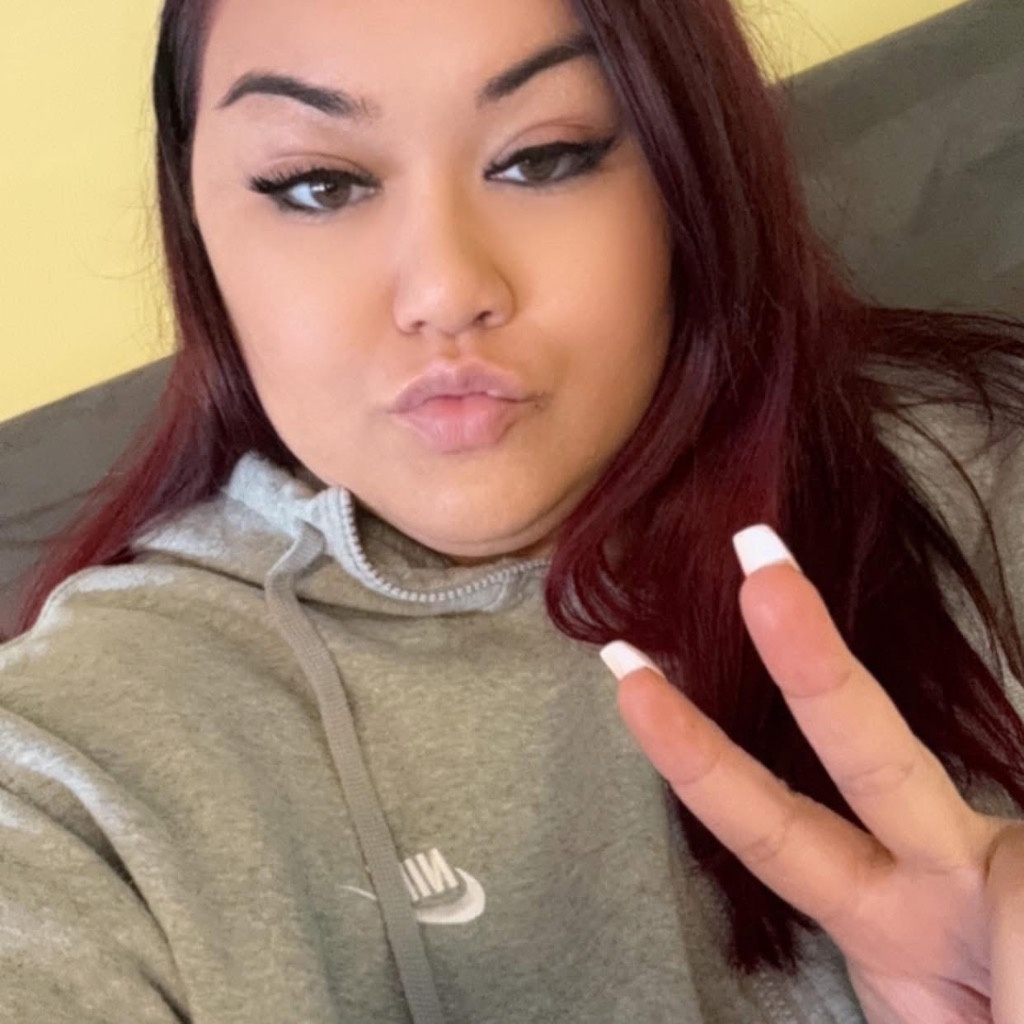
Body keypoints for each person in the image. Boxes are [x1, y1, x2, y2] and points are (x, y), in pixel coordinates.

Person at [2, 0, 1023, 1020]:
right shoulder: (73, 764)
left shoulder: (982, 473)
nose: (448, 291)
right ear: (198, 233)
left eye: (543, 158)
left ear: (690, 172)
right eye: (318, 183)